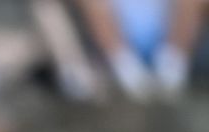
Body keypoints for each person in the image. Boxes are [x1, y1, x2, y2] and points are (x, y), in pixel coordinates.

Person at [74, 0, 204, 98]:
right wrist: (125, 66)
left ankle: (171, 69)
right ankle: (127, 70)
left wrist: (173, 61)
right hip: (113, 49)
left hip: (174, 45)